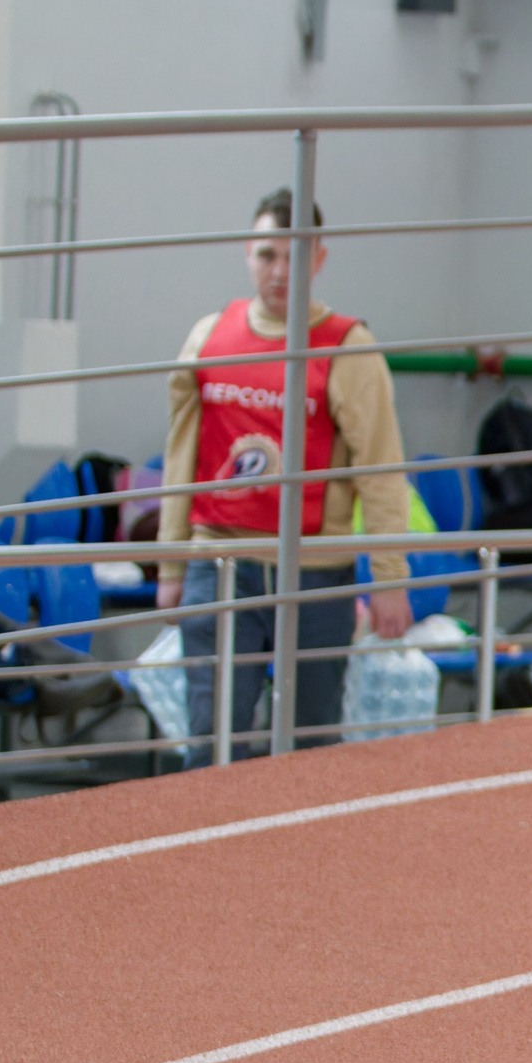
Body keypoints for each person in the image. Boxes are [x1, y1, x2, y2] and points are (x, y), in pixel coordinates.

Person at [156, 188, 413, 756]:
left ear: (318, 258)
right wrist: (171, 563)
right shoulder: (207, 339)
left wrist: (390, 576)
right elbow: (181, 454)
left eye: (294, 256)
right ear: (248, 253)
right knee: (212, 740)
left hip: (315, 573)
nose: (279, 270)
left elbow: (380, 467)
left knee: (310, 747)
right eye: (267, 254)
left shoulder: (349, 347)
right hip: (220, 563)